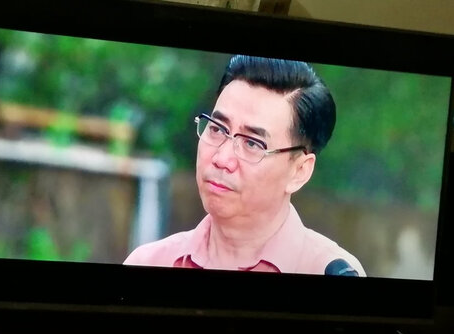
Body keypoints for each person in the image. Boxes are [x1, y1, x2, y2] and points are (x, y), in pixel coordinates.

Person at [124, 55, 365, 276]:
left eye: (252, 143)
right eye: (217, 129)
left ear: (299, 171)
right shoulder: (149, 262)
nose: (222, 159)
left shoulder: (331, 271)